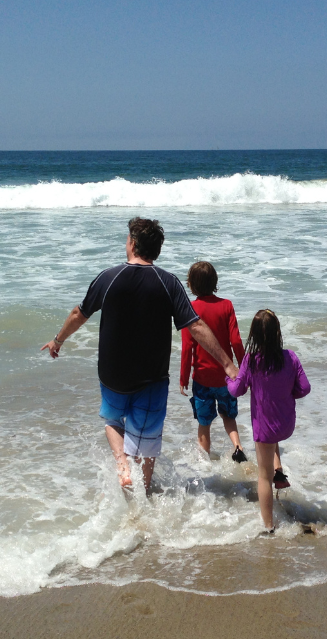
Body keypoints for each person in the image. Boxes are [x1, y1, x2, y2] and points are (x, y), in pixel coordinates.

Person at [42, 217, 238, 495]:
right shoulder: (168, 282)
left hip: (112, 375)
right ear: (155, 250)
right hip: (151, 378)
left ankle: (122, 467)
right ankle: (143, 492)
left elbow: (79, 314)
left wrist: (57, 340)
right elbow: (195, 326)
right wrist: (228, 364)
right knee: (146, 442)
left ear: (133, 243)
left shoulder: (108, 277)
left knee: (112, 420)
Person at [227, 309, 311, 533]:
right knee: (272, 451)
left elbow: (237, 390)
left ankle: (268, 527)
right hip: (286, 424)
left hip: (265, 430)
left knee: (263, 477)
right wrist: (286, 392)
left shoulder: (251, 361)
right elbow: (304, 388)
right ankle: (280, 471)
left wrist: (228, 377)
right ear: (278, 333)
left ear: (253, 336)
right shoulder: (291, 357)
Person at [179, 261, 248, 462]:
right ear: (215, 281)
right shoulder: (226, 305)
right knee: (229, 416)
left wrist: (183, 377)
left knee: (204, 422)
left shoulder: (190, 309)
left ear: (190, 284)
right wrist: (244, 368)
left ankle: (204, 463)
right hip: (226, 378)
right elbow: (235, 340)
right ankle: (238, 447)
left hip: (202, 378)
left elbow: (187, 348)